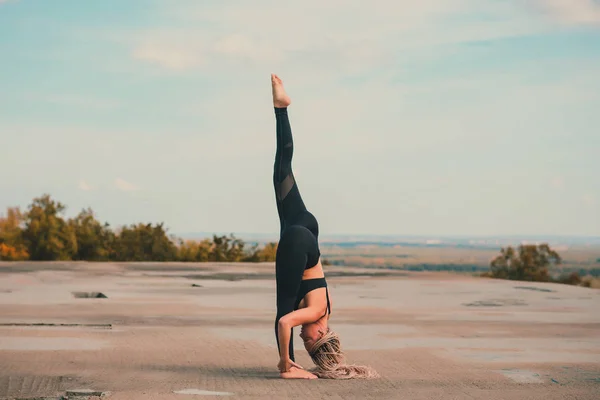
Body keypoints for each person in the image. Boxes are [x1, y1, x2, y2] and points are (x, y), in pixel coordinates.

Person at [270, 74, 379, 380]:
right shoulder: (316, 313)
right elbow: (284, 323)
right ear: (320, 332)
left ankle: (281, 108)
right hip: (298, 242)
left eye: (301, 343)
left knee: (281, 171)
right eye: (308, 340)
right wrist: (284, 360)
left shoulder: (324, 309)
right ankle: (288, 369)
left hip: (304, 230)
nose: (303, 336)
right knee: (283, 309)